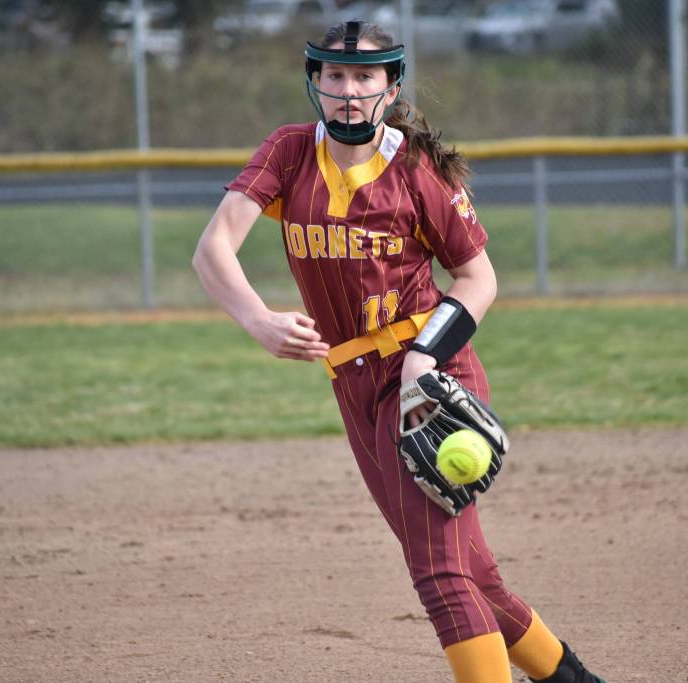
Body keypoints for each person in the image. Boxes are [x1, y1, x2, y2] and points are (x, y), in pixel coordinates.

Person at [192, 19, 609, 683]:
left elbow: (480, 279)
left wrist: (423, 359)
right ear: (315, 82)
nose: (348, 90)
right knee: (472, 572)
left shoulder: (414, 168)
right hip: (353, 385)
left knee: (440, 574)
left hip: (428, 382)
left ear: (390, 87)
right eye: (334, 75)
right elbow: (212, 247)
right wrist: (258, 319)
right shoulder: (291, 153)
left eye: (364, 76)